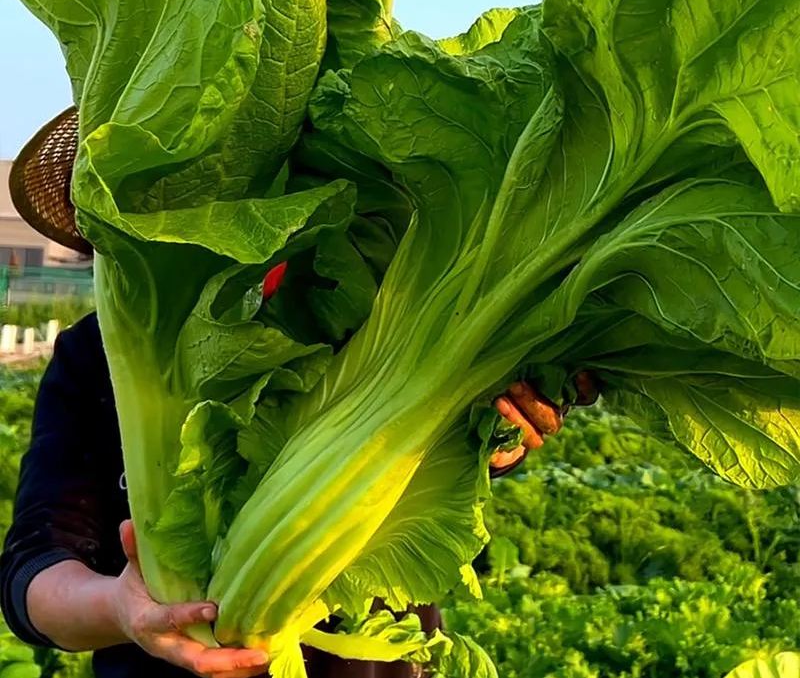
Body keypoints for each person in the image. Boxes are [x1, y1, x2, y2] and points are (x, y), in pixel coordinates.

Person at [0, 110, 597, 678]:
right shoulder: (97, 356)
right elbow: (34, 576)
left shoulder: (387, 312)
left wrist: (492, 432)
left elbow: (432, 463)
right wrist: (119, 609)